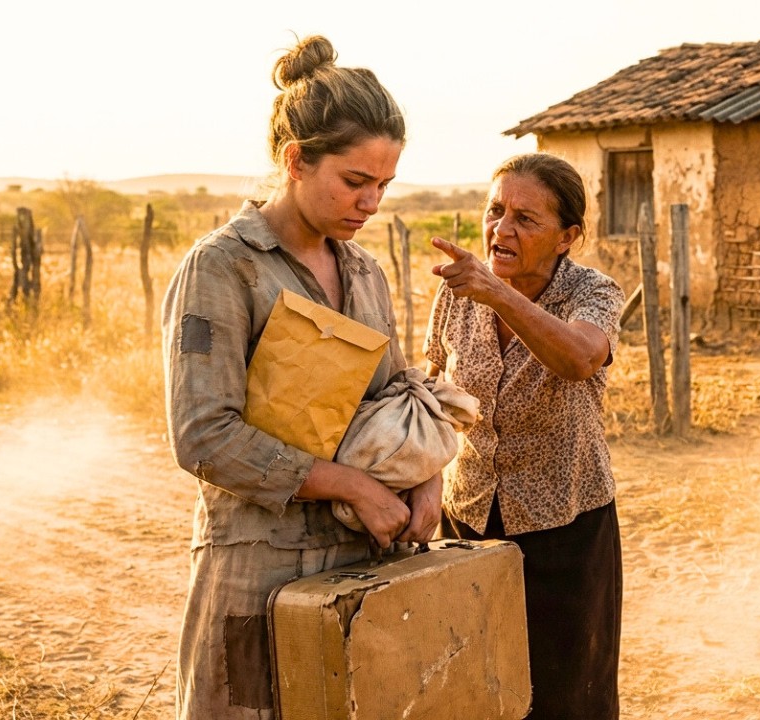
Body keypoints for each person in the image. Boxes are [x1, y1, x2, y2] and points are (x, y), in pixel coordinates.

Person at [161, 35, 441, 719]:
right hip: (256, 567)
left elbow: (396, 400)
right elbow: (203, 436)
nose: (372, 202)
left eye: (384, 185)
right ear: (295, 160)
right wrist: (352, 484)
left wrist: (427, 478)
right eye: (355, 181)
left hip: (361, 562)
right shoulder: (224, 267)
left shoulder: (364, 271)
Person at [425, 152, 625, 719]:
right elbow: (433, 384)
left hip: (564, 527)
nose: (501, 229)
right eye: (495, 211)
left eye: (525, 218)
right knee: (473, 684)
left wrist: (496, 292)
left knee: (567, 695)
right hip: (467, 517)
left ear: (567, 237)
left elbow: (579, 359)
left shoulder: (593, 292)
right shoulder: (455, 293)